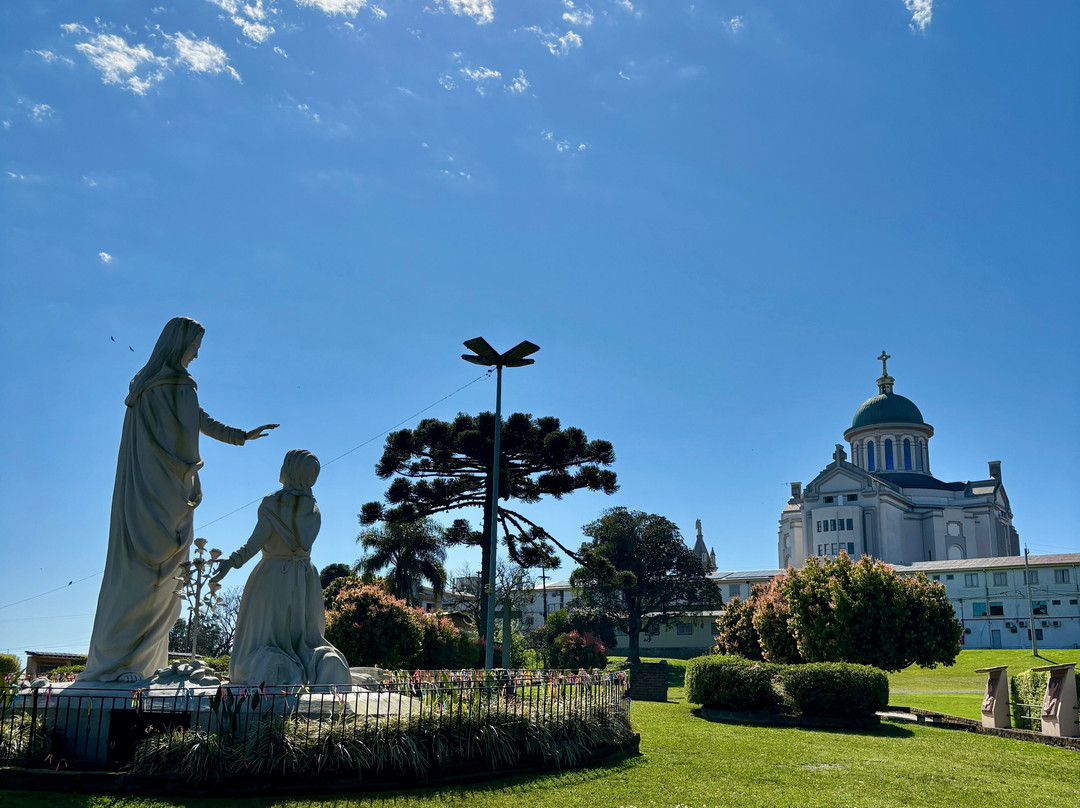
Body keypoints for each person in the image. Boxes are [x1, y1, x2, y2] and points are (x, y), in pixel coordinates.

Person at [79, 317, 277, 683]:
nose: (196, 355)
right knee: (151, 572)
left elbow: (199, 420)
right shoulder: (165, 387)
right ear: (178, 345)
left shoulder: (150, 387)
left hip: (155, 492)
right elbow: (195, 421)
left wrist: (241, 436)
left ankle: (135, 658)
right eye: (194, 347)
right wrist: (236, 438)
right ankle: (122, 660)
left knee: (155, 574)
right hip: (158, 491)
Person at [213, 450, 351, 687]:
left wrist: (232, 562)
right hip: (305, 578)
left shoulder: (273, 503)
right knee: (304, 639)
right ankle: (319, 664)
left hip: (274, 577)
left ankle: (278, 668)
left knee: (268, 637)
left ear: (290, 470)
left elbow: (254, 543)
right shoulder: (313, 509)